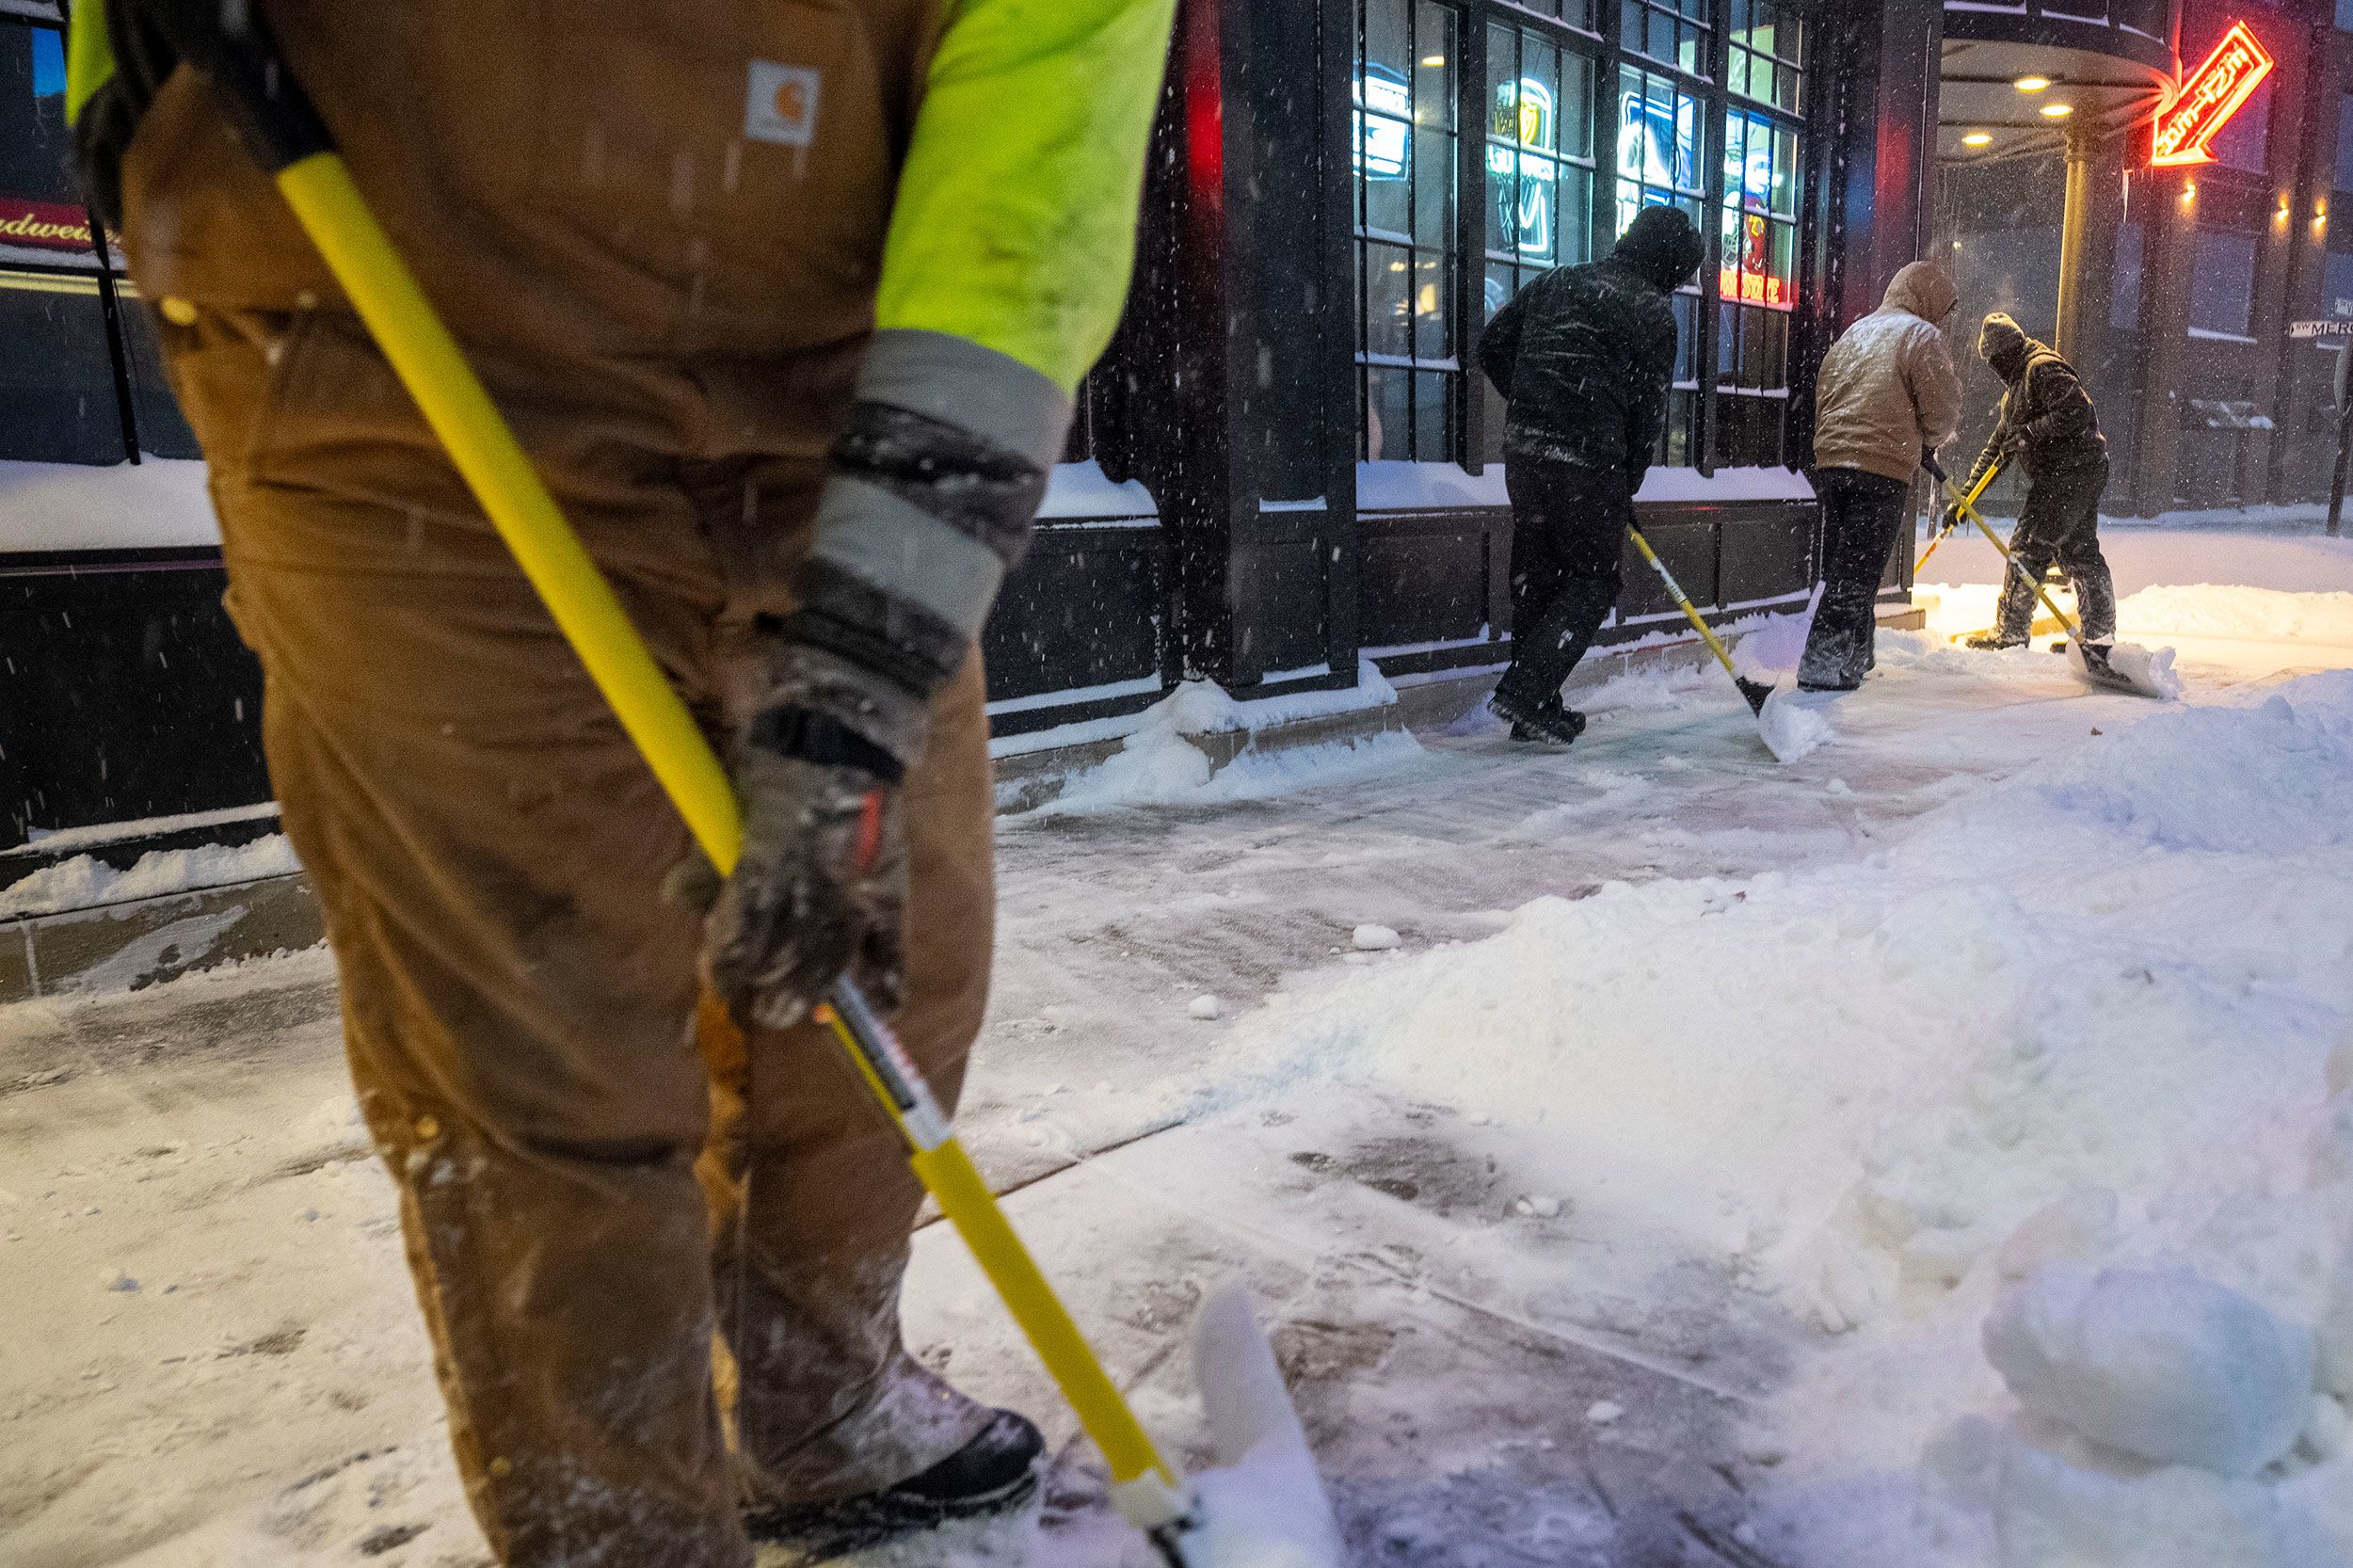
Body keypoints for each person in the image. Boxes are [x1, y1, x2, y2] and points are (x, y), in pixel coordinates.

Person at [67, 3, 1172, 1565]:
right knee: (540, 1073)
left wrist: (854, 694)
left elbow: (1023, 218)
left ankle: (814, 1402)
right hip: (397, 376)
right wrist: (127, 92)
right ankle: (619, 1534)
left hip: (835, 415)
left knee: (881, 968)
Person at [1477, 205, 1707, 745]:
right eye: (1680, 273)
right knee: (1593, 579)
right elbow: (1647, 415)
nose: (1678, 285)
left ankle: (1537, 705)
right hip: (1590, 460)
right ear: (1667, 262)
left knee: (1540, 575)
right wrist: (1624, 483)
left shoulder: (1558, 280)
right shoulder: (1650, 312)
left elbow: (1492, 347)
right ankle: (1527, 690)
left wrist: (1537, 400)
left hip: (1528, 454)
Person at [1798, 261, 1962, 691]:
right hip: (1880, 467)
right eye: (1942, 308)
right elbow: (1941, 409)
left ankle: (1857, 654)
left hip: (1833, 462)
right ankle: (1821, 661)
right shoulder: (1920, 336)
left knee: (1852, 561)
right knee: (1857, 570)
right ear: (1929, 299)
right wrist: (1928, 437)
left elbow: (1826, 387)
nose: (1941, 318)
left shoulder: (1857, 331)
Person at [1955, 312, 2115, 651]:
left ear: (2007, 351)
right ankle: (2099, 637)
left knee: (2028, 547)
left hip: (2071, 473)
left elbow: (2076, 411)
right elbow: (1997, 449)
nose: (1995, 369)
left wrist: (2030, 434)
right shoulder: (2014, 392)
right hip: (2073, 474)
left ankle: (2010, 633)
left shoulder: (2040, 368)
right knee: (2079, 551)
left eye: (1995, 360)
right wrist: (1965, 498)